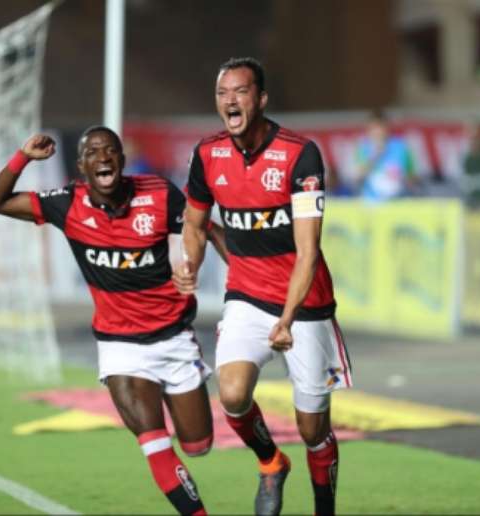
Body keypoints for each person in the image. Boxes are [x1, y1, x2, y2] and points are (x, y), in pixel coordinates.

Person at [0, 127, 226, 516]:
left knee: (199, 445)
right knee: (154, 441)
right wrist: (22, 157)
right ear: (82, 167)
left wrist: (204, 268)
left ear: (122, 162)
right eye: (93, 152)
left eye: (110, 151)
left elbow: (202, 229)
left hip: (174, 337)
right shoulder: (66, 202)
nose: (103, 157)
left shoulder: (159, 193)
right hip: (120, 347)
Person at [173, 57, 352, 516]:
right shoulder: (207, 154)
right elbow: (194, 223)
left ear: (262, 98)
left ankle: (324, 509)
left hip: (305, 302)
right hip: (247, 295)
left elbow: (308, 251)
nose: (230, 101)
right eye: (222, 93)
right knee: (231, 395)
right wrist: (188, 260)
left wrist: (288, 318)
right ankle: (271, 462)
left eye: (241, 91)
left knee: (313, 430)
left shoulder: (299, 153)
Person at [353, 109, 418, 201]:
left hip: (398, 200)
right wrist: (375, 156)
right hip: (371, 202)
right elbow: (357, 177)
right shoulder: (362, 148)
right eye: (374, 128)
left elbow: (412, 176)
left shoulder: (401, 147)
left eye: (381, 127)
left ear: (387, 127)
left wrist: (403, 178)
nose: (378, 131)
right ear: (369, 128)